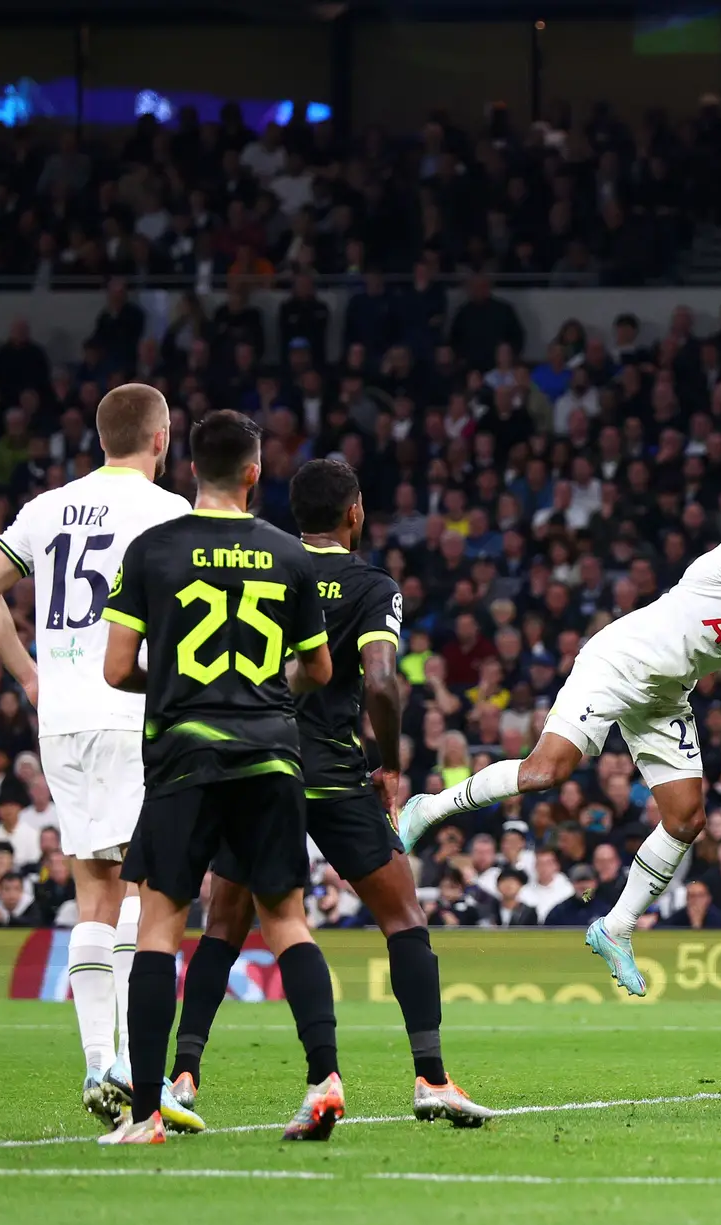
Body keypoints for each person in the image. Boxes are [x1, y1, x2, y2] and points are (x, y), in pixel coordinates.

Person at [395, 504, 721, 997]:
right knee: (545, 772)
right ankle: (429, 807)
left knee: (687, 819)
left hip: (666, 695)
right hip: (616, 664)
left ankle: (616, 927)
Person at [167, 460, 494, 1126]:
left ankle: (184, 1077)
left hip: (253, 764)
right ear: (355, 513)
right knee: (403, 918)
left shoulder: (259, 567)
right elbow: (380, 682)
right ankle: (431, 1078)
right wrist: (394, 764)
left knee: (226, 926)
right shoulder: (370, 585)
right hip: (333, 770)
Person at [98, 409, 340, 1144]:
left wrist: (178, 687)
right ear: (255, 473)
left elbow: (114, 669)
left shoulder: (152, 551)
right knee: (287, 920)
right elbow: (320, 670)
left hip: (185, 754)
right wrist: (265, 693)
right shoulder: (289, 554)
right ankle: (323, 1080)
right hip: (271, 752)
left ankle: (146, 1115)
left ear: (187, 467)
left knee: (161, 927)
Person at [0, 383, 189, 1128]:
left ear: (100, 438)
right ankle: (127, 1063)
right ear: (160, 440)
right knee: (141, 891)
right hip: (132, 710)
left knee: (94, 889)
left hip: (62, 718)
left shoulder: (47, 506)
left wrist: (29, 676)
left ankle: (96, 1064)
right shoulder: (168, 513)